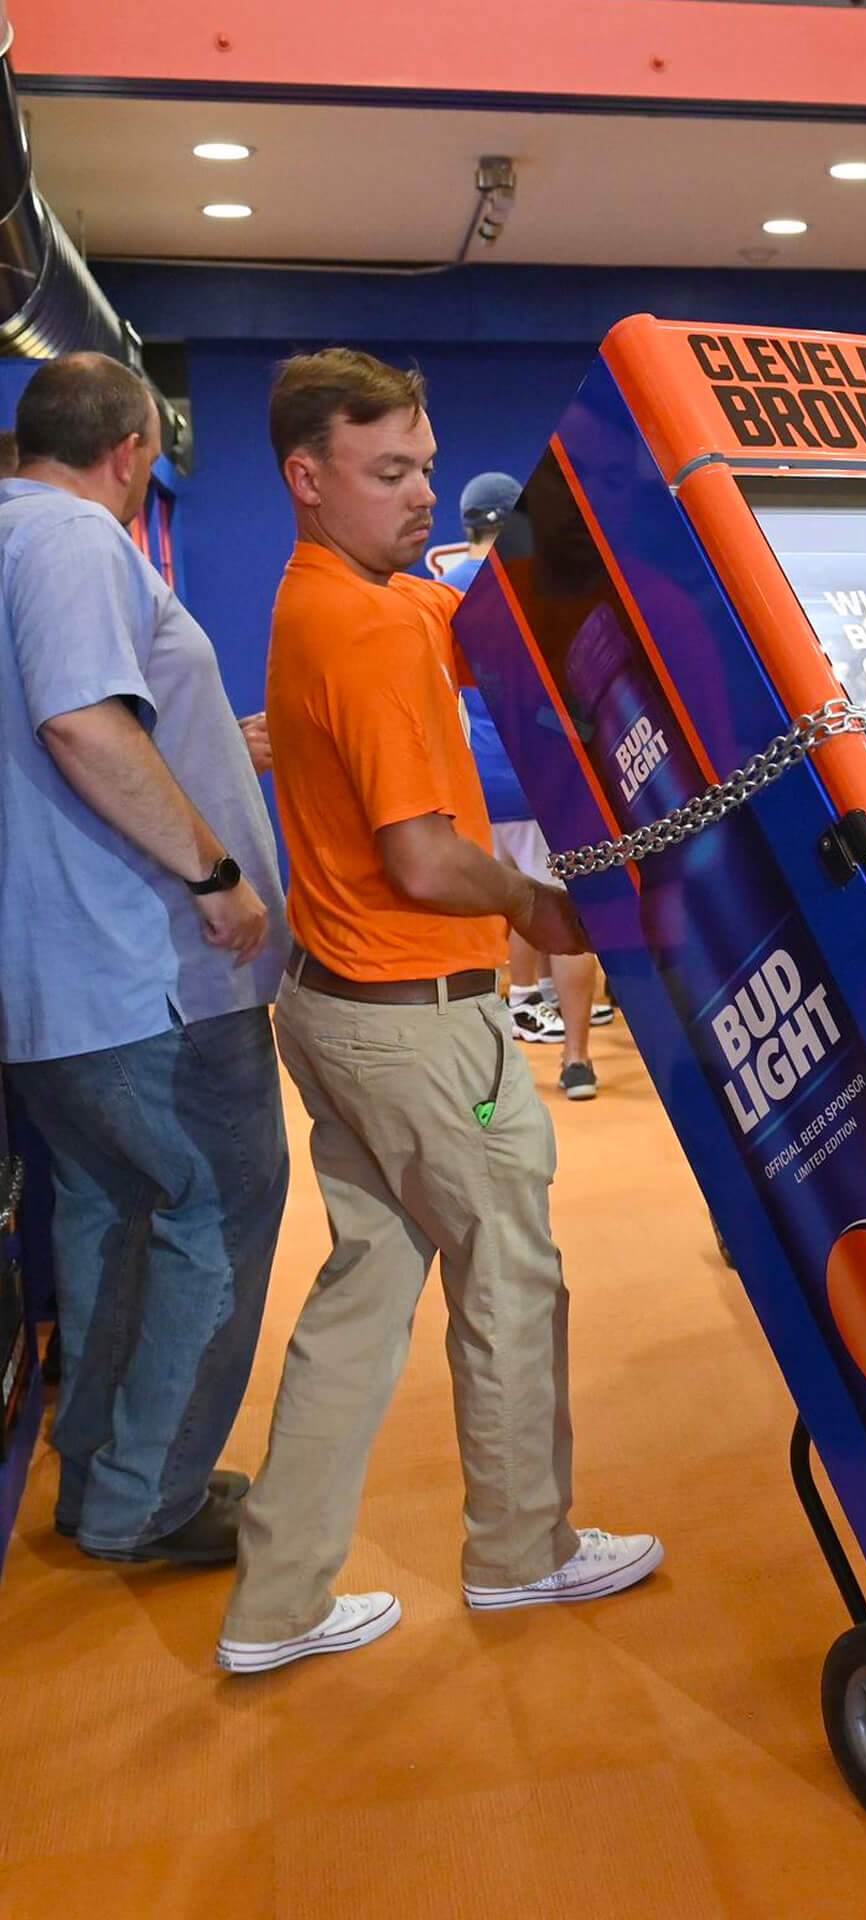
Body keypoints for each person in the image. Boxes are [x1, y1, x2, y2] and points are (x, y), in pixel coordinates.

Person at [216, 349, 661, 1677]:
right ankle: (522, 1553)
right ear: (307, 478)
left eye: (425, 466)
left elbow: (466, 631)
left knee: (366, 1286)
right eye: (389, 471)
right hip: (416, 1018)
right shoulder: (358, 627)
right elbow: (421, 857)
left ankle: (276, 1601)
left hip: (341, 1008)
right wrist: (538, 905)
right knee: (513, 1272)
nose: (421, 494)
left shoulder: (345, 596)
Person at [0, 352, 288, 1566]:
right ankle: (149, 1504)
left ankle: (104, 1482)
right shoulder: (72, 541)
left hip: (62, 990)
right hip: (142, 974)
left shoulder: (15, 535)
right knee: (219, 1207)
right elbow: (80, 720)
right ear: (130, 456)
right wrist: (215, 874)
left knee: (118, 1215)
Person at [449, 471, 609, 1098]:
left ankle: (515, 1015)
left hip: (475, 785)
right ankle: (575, 1060)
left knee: (512, 898)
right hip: (541, 781)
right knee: (571, 913)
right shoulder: (532, 586)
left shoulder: (441, 591)